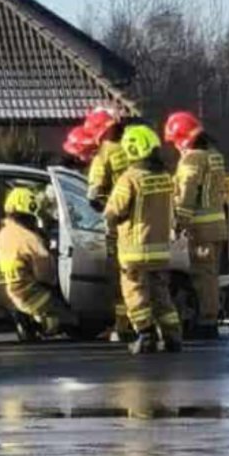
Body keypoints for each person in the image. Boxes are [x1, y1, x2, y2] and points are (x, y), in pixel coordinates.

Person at [104, 124, 183, 355]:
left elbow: (113, 211)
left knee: (135, 294)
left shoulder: (130, 178)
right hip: (160, 250)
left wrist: (108, 223)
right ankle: (173, 337)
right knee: (161, 295)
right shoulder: (165, 177)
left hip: (134, 251)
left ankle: (145, 335)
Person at [165, 111, 229, 340]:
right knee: (209, 274)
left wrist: (178, 222)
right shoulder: (214, 155)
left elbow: (187, 192)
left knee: (202, 276)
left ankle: (206, 321)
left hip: (200, 229)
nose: (175, 147)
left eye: (175, 141)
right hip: (216, 226)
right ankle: (209, 317)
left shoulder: (192, 158)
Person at [84, 107, 134, 342]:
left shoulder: (105, 153)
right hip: (143, 222)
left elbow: (93, 196)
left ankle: (123, 326)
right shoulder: (132, 148)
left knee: (119, 276)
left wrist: (107, 211)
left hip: (117, 226)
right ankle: (137, 323)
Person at [0, 187, 67, 338]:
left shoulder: (3, 232)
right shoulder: (29, 238)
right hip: (28, 293)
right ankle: (38, 322)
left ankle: (25, 319)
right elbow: (47, 275)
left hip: (6, 292)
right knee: (68, 319)